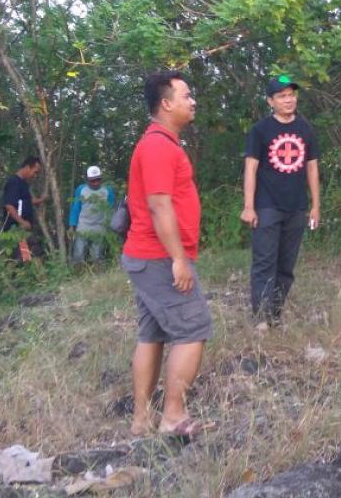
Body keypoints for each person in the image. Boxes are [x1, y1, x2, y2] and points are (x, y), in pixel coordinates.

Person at [120, 71, 213, 438]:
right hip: (159, 257)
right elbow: (160, 205)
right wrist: (178, 258)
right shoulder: (158, 145)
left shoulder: (160, 143)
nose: (192, 102)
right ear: (166, 103)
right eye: (186, 95)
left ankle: (141, 420)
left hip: (146, 256)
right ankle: (172, 417)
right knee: (193, 328)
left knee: (152, 334)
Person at [241, 74, 320, 330]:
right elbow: (250, 169)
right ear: (270, 101)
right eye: (282, 96)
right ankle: (261, 319)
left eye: (292, 94)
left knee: (286, 266)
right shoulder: (260, 130)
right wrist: (249, 206)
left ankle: (275, 315)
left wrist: (315, 206)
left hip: (296, 207)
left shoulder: (306, 129)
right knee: (265, 262)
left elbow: (312, 168)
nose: (289, 100)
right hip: (267, 205)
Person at [2, 156, 48, 262]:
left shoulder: (23, 184)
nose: (35, 176)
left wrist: (41, 200)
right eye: (35, 172)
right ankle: (15, 276)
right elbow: (9, 205)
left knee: (28, 257)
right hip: (16, 229)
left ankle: (29, 275)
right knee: (20, 258)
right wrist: (22, 222)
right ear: (28, 167)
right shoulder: (14, 182)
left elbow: (25, 201)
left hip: (24, 229)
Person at [68, 165, 116, 263]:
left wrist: (110, 227)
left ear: (101, 179)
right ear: (87, 180)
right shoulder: (81, 190)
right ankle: (79, 274)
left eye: (98, 180)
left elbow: (111, 210)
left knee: (97, 255)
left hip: (99, 227)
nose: (95, 183)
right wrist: (72, 226)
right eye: (92, 180)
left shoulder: (108, 191)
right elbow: (75, 208)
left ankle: (97, 276)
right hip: (83, 226)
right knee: (78, 253)